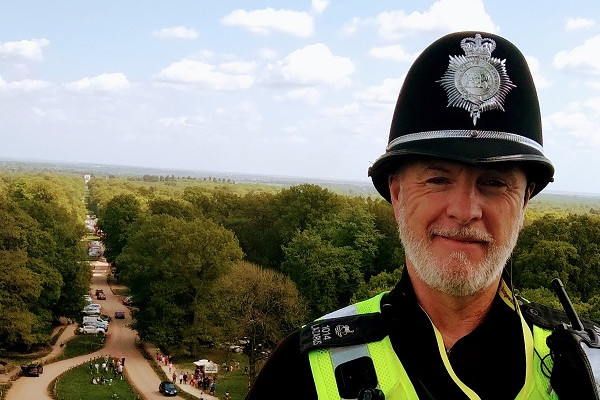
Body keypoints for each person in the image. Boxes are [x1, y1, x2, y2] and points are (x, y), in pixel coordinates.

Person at [244, 31, 590, 400]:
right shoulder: (303, 372)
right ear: (397, 194)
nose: (465, 211)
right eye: (438, 179)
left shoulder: (585, 369)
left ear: (523, 202)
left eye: (494, 183)